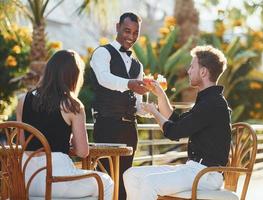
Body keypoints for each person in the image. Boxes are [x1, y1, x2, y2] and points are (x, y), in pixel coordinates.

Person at [123, 45, 232, 200]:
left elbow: (173, 132)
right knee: (131, 174)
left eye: (192, 66)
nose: (188, 71)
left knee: (148, 183)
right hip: (193, 169)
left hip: (206, 175)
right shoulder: (207, 101)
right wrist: (160, 94)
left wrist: (154, 112)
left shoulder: (213, 104)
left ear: (203, 72)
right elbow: (177, 121)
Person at [16, 50, 114, 199]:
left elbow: (22, 144)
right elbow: (82, 152)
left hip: (27, 181)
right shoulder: (72, 105)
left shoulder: (23, 100)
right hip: (57, 179)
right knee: (105, 182)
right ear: (73, 76)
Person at [89, 12, 148, 200]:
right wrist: (129, 84)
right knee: (105, 180)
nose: (131, 37)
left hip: (130, 129)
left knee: (125, 181)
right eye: (127, 30)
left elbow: (138, 105)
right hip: (107, 125)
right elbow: (104, 79)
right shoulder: (102, 53)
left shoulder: (138, 66)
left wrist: (151, 109)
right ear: (117, 27)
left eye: (135, 32)